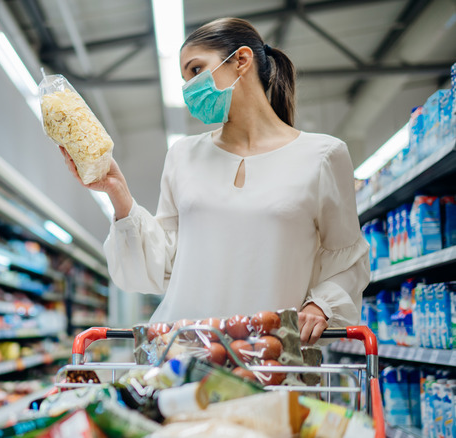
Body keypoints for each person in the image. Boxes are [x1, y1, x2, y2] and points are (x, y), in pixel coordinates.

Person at [59, 18, 370, 345]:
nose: (189, 88)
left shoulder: (323, 155)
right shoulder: (183, 155)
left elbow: (348, 259)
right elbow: (161, 265)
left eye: (195, 70)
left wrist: (321, 306)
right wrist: (118, 194)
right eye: (184, 78)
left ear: (241, 60)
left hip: (271, 358)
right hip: (183, 354)